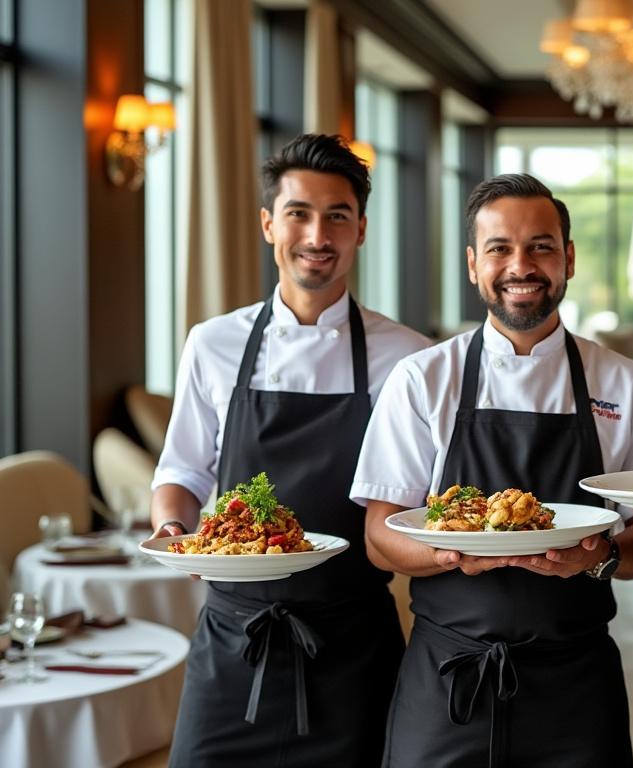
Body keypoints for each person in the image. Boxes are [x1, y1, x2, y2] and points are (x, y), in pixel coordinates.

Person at [352, 173, 633, 768]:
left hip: (576, 685)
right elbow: (379, 537)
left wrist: (596, 557)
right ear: (474, 265)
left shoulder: (626, 385)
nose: (520, 265)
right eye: (499, 248)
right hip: (447, 677)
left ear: (568, 259)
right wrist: (454, 552)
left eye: (541, 246)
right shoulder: (424, 380)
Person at [148, 134, 431, 766]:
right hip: (234, 634)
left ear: (360, 229)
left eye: (337, 215)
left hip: (354, 638)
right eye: (299, 213)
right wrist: (174, 527)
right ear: (268, 224)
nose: (317, 234)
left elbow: (418, 499)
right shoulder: (213, 342)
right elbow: (183, 469)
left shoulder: (407, 357)